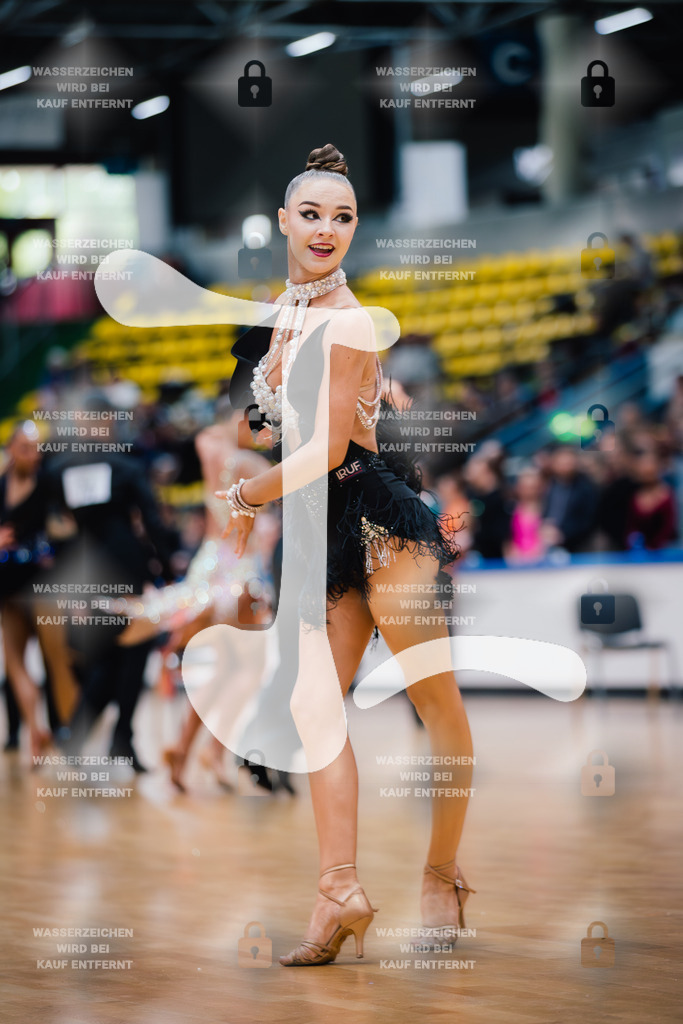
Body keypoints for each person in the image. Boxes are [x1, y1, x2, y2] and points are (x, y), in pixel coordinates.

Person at [216, 144, 474, 967]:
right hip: (320, 526)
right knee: (313, 710)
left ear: (355, 228)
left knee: (435, 703)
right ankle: (338, 891)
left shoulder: (348, 316)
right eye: (313, 213)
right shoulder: (282, 314)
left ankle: (443, 874)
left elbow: (330, 449)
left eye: (344, 216)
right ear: (285, 222)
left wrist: (246, 495)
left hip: (376, 520)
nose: (328, 228)